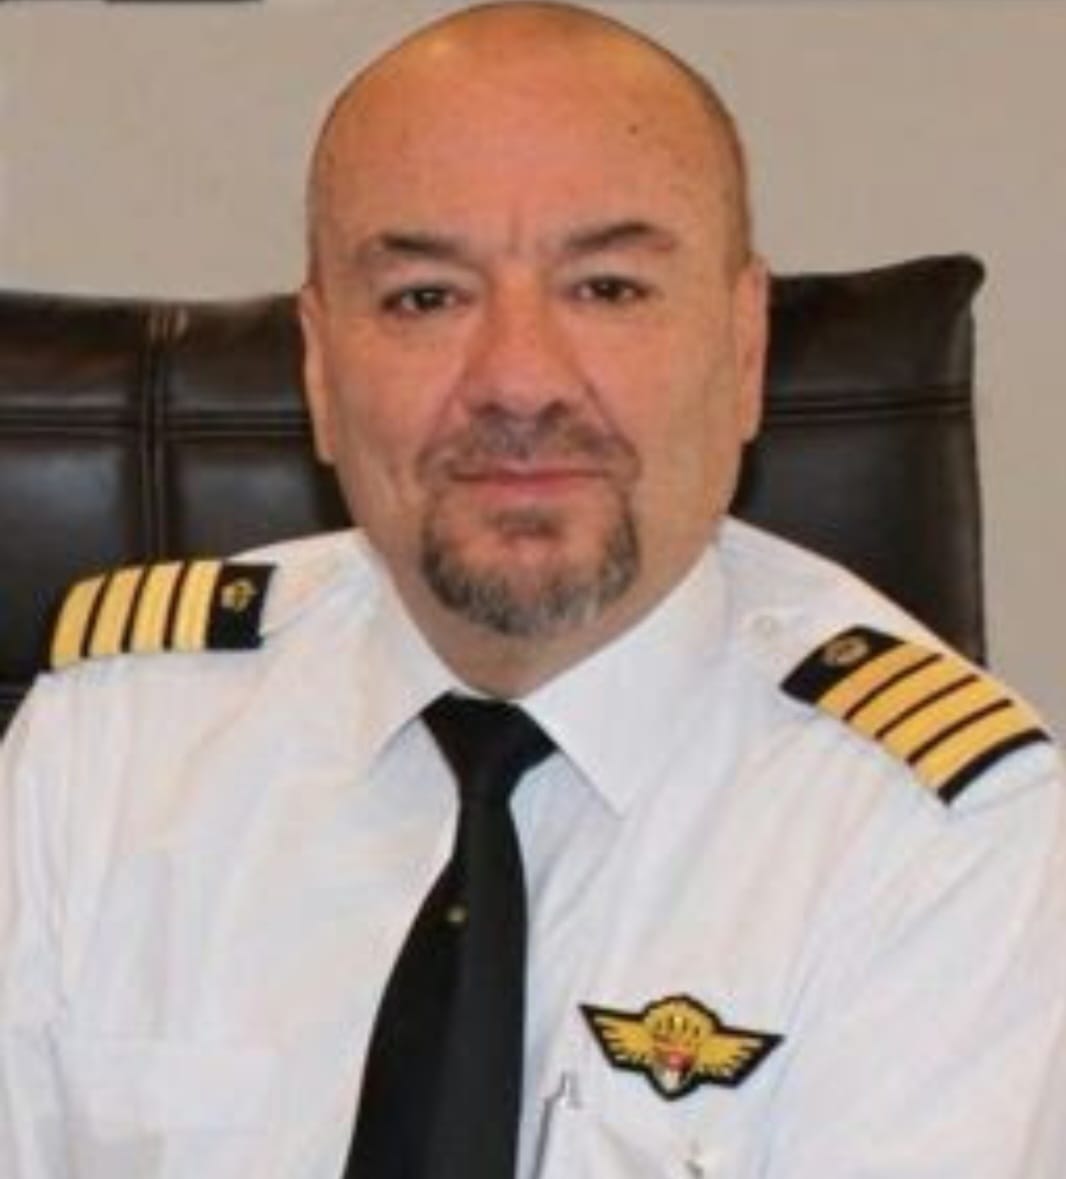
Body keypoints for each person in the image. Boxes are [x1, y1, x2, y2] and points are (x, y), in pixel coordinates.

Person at [1, 3, 1064, 1176]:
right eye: (425, 297)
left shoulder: (934, 839)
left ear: (743, 345)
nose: (516, 380)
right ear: (318, 364)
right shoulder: (112, 745)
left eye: (606, 288)